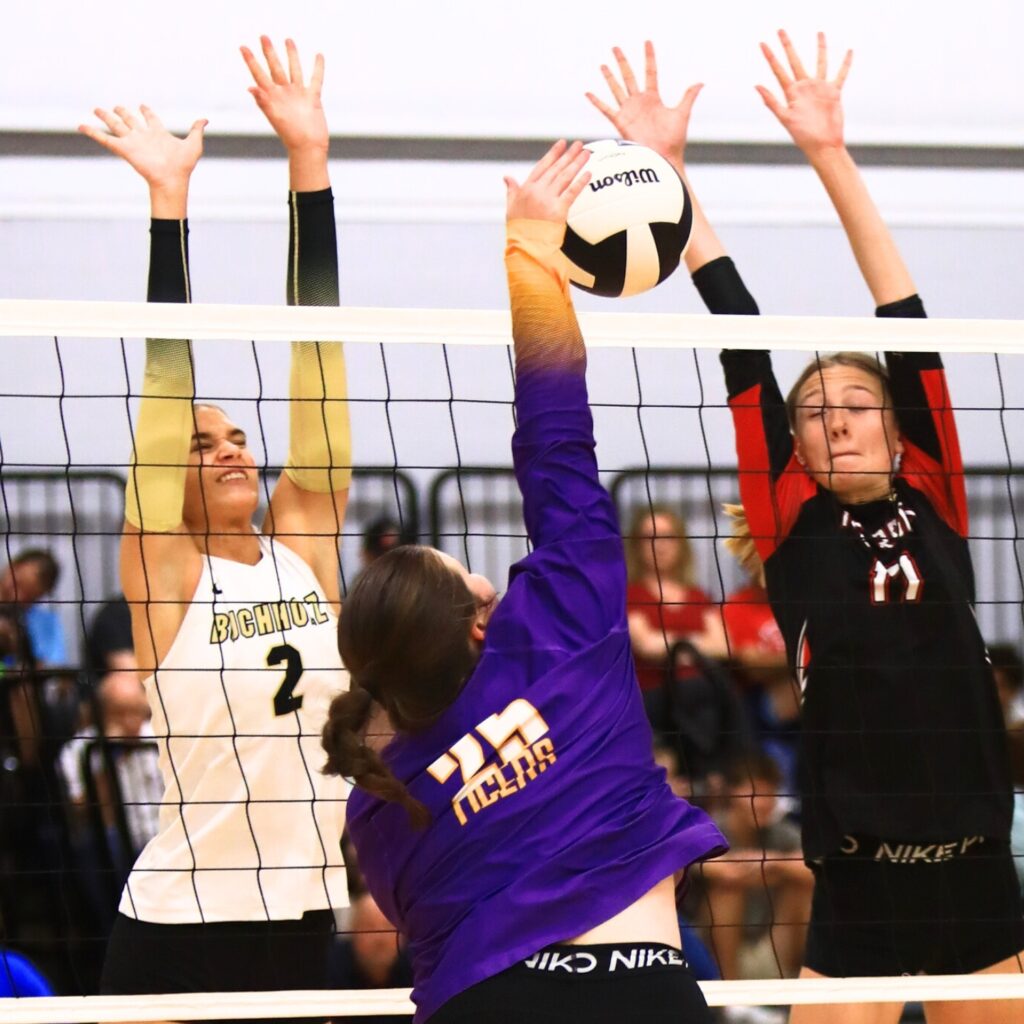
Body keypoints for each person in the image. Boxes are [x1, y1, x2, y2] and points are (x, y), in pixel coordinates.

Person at [589, 32, 1024, 1024]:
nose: (831, 419)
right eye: (812, 413)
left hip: (974, 875)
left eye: (853, 404)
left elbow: (902, 307)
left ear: (896, 424)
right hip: (856, 876)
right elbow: (738, 334)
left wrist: (829, 154)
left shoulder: (934, 487)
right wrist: (671, 177)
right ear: (797, 449)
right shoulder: (794, 518)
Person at [321, 140, 726, 1023]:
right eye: (468, 575)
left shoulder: (376, 801)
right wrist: (529, 258)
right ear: (476, 623)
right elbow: (555, 436)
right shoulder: (562, 627)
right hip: (640, 997)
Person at [78, 36, 351, 998]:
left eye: (238, 435)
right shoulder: (167, 573)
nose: (232, 448)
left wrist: (307, 163)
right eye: (205, 444)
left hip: (306, 905)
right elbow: (164, 392)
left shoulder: (304, 547)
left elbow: (320, 356)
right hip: (182, 913)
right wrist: (168, 204)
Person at [0, 548, 66, 666]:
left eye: (29, 597)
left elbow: (54, 669)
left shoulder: (46, 623)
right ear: (10, 568)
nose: (18, 597)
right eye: (17, 585)